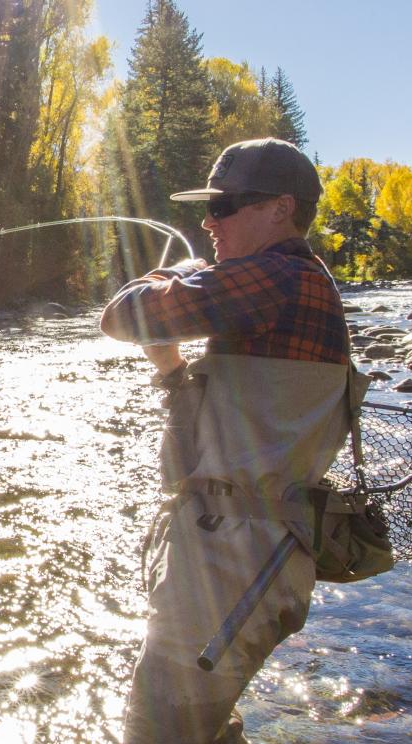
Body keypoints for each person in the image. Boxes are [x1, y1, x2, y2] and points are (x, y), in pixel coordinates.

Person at [100, 138, 364, 743]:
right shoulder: (271, 290)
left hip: (239, 557)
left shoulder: (282, 276)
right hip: (225, 550)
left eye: (226, 206)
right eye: (209, 209)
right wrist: (171, 371)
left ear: (280, 208)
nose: (209, 220)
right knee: (206, 730)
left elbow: (120, 316)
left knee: (160, 731)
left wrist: (174, 275)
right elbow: (212, 447)